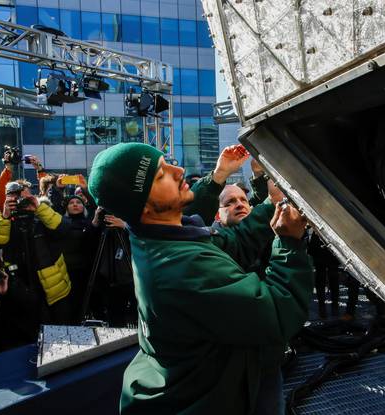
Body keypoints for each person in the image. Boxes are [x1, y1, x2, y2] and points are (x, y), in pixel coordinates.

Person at [88, 143, 314, 414]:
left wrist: (257, 198)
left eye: (166, 162)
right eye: (161, 175)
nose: (179, 170)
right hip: (209, 399)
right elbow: (278, 312)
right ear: (143, 207)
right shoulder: (181, 267)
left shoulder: (156, 233)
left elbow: (235, 241)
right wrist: (288, 242)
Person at [0, 179, 73, 330]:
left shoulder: (42, 214)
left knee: (60, 329)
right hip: (21, 287)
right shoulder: (6, 220)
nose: (21, 200)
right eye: (16, 197)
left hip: (52, 288)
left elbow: (63, 228)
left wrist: (38, 207)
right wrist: (5, 215)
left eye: (24, 196)